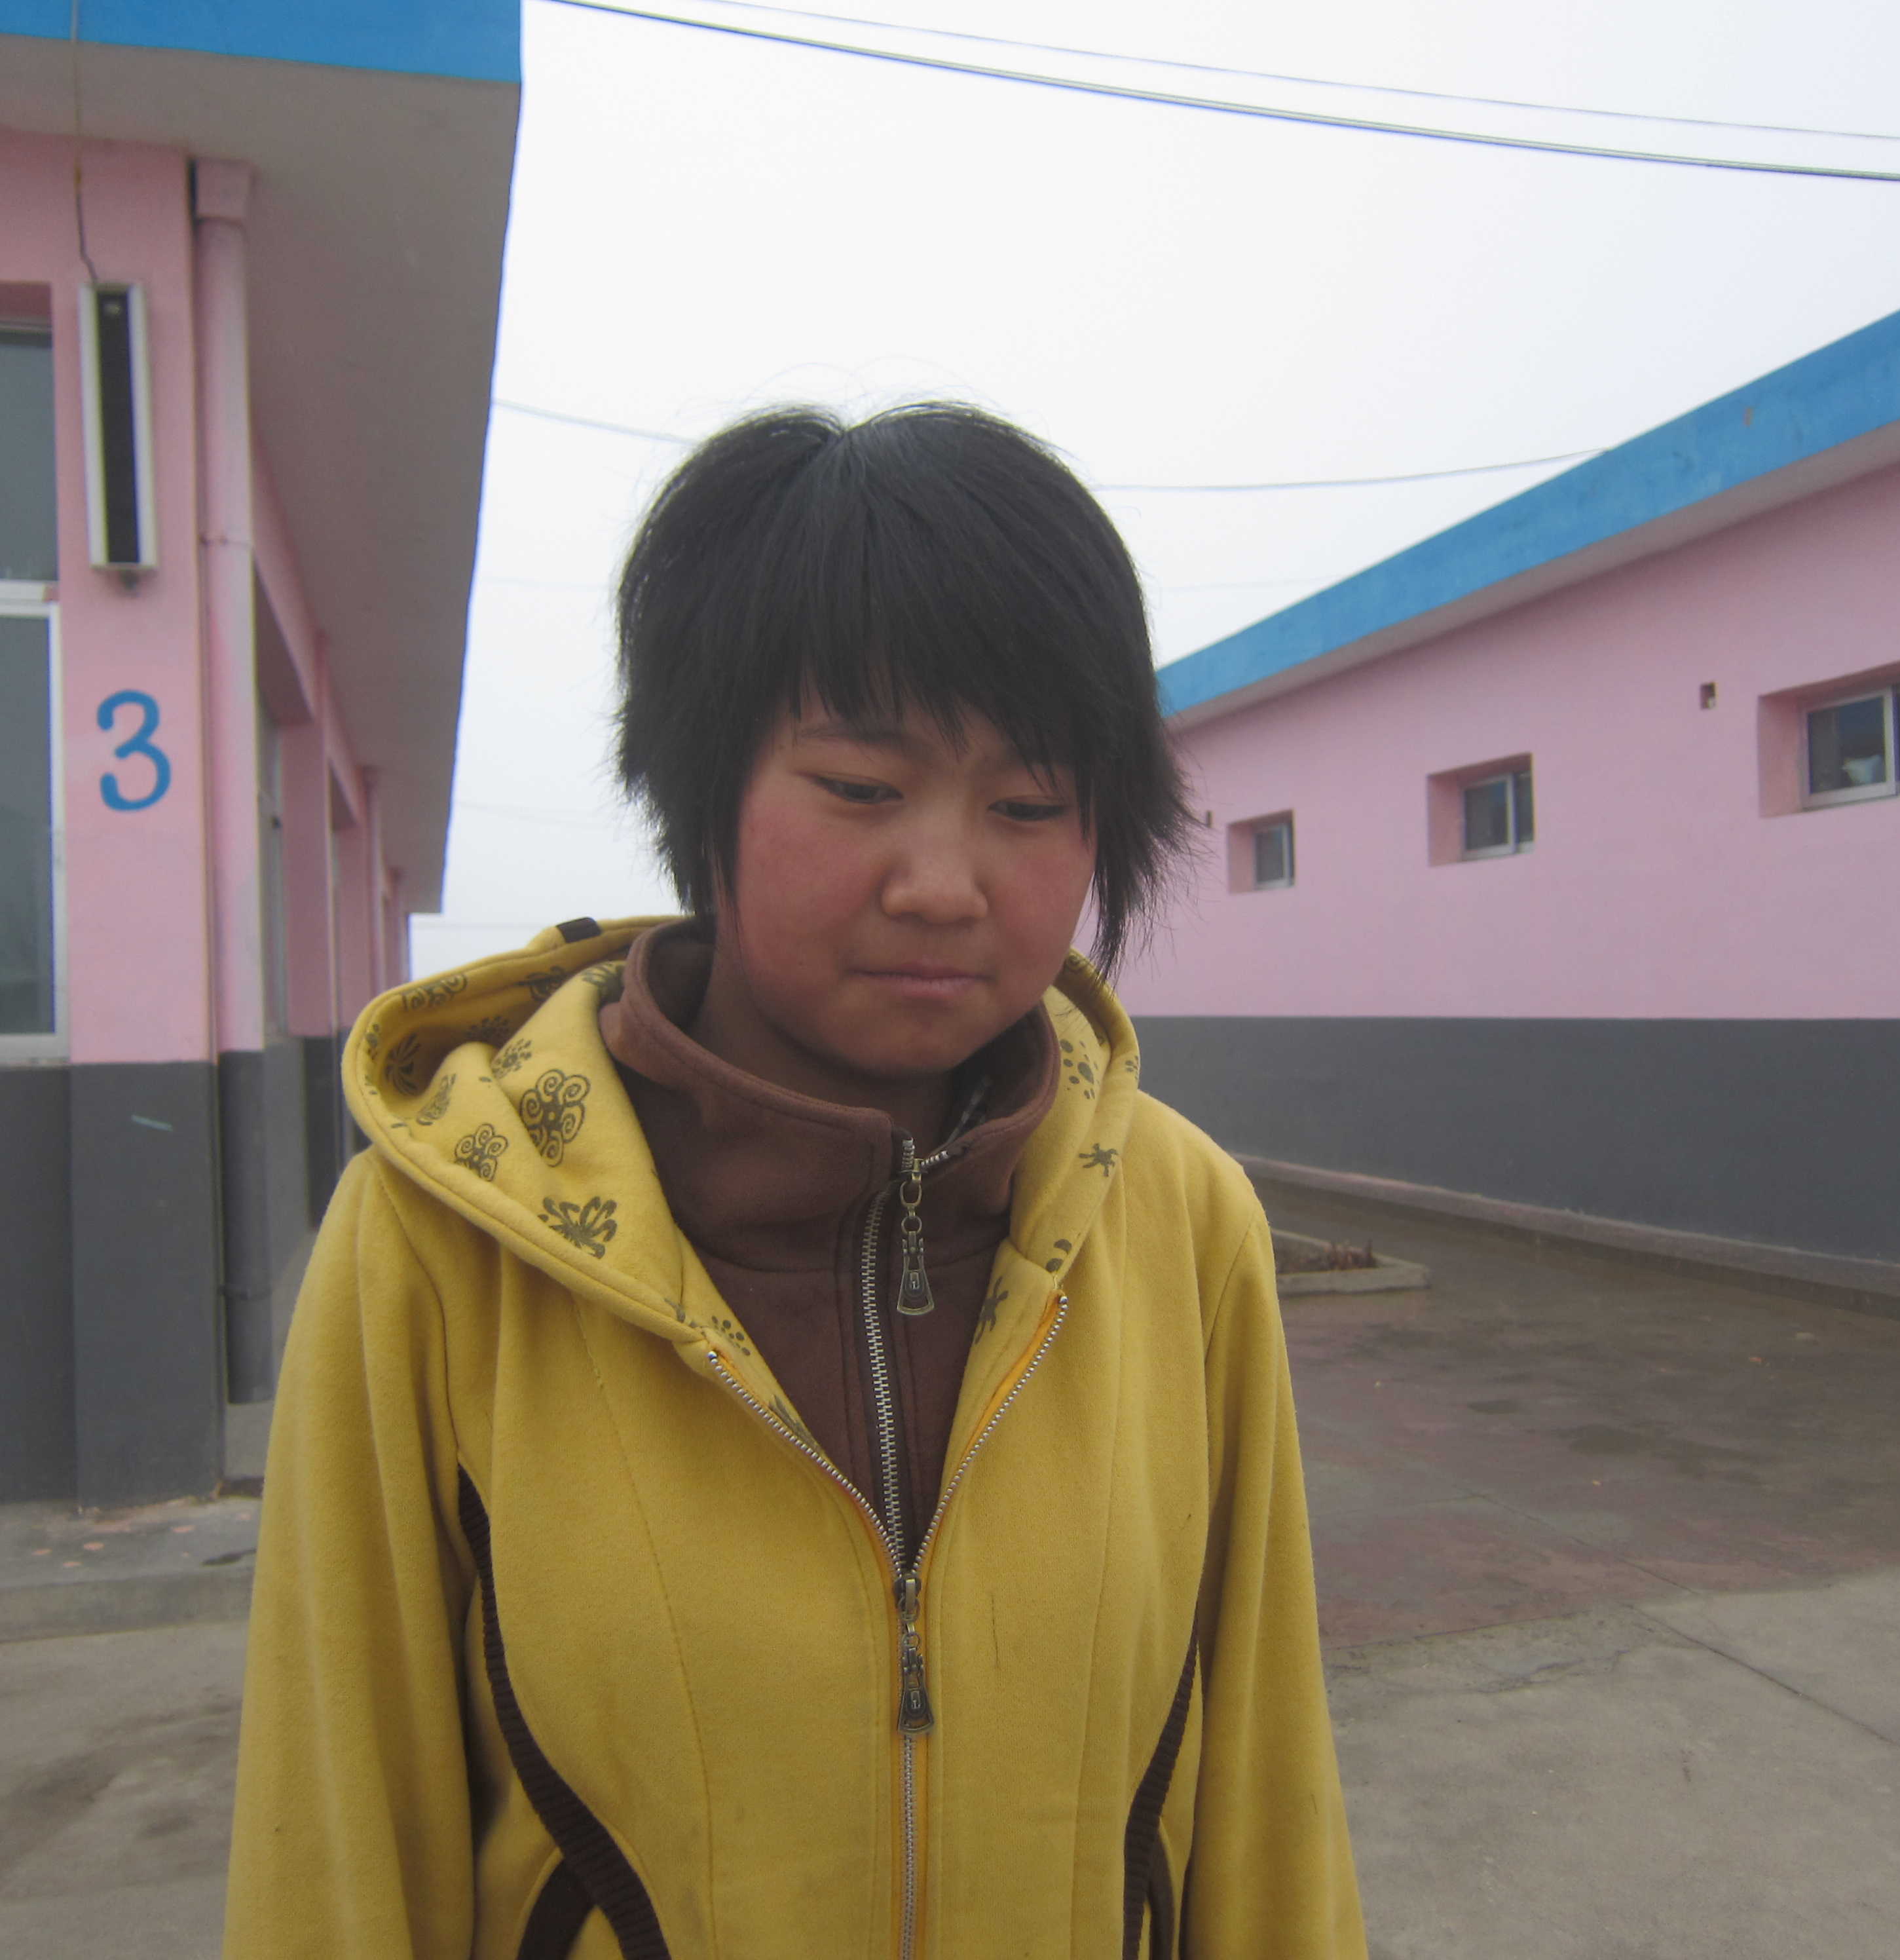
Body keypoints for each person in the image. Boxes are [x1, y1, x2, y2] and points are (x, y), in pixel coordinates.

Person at [224, 404, 1366, 1960]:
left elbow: (1263, 1799)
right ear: (702, 793)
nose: (944, 882)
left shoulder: (1180, 1217)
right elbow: (334, 1833)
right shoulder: (441, 1237)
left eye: (1028, 804)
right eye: (858, 785)